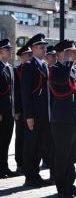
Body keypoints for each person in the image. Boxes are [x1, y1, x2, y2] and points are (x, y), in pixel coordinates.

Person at [48, 40, 76, 198]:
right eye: (71, 51)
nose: (75, 54)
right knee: (63, 154)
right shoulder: (56, 69)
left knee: (71, 154)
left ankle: (70, 184)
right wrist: (67, 62)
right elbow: (62, 84)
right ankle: (62, 187)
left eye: (75, 52)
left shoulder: (74, 70)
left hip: (74, 118)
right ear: (62, 53)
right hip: (62, 120)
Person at [21, 34, 52, 187]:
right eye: (40, 47)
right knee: (31, 146)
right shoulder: (28, 66)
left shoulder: (44, 65)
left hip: (44, 114)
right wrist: (29, 116)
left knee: (41, 145)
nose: (43, 49)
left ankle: (36, 174)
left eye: (44, 46)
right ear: (32, 49)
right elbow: (25, 94)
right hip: (33, 115)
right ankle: (30, 177)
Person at [13, 45, 33, 175]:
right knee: (20, 137)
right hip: (21, 111)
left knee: (30, 139)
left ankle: (28, 163)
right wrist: (17, 110)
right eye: (28, 55)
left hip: (31, 110)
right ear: (21, 57)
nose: (30, 57)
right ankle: (20, 163)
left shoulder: (33, 69)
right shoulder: (17, 70)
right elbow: (16, 92)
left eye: (31, 54)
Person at [0, 39, 18, 178]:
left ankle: (4, 167)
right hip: (1, 112)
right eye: (7, 50)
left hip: (9, 112)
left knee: (6, 140)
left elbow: (13, 92)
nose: (10, 51)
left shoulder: (10, 68)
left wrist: (15, 110)